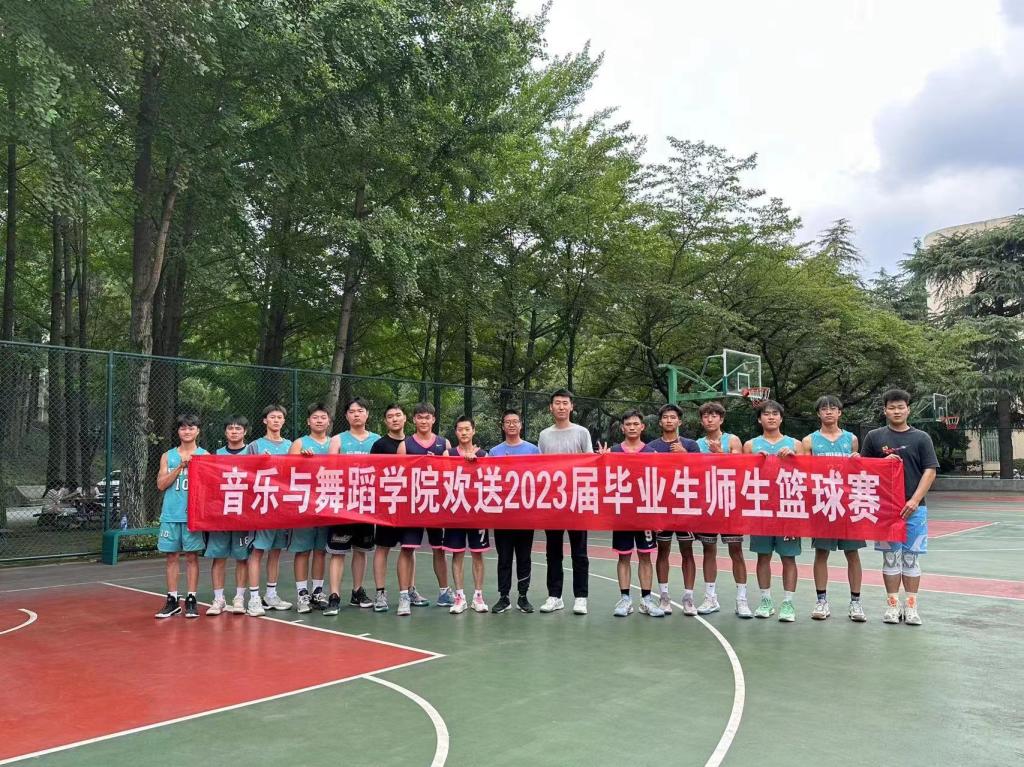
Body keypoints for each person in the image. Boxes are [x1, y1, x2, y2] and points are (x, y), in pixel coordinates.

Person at [861, 388, 939, 626]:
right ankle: (892, 605)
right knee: (891, 558)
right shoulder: (874, 437)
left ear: (908, 410)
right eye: (892, 407)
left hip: (915, 509)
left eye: (900, 407)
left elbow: (930, 471)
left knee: (911, 560)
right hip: (885, 510)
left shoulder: (922, 438)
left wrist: (914, 500)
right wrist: (881, 463)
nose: (896, 411)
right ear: (885, 411)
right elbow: (862, 468)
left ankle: (911, 606)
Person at [801, 395, 866, 622]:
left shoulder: (851, 439)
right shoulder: (809, 441)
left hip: (847, 503)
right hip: (823, 503)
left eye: (833, 408)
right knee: (821, 552)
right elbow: (804, 471)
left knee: (852, 553)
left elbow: (858, 471)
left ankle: (855, 603)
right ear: (818, 413)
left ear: (840, 412)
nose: (828, 412)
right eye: (824, 409)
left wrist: (858, 461)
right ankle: (821, 601)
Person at [743, 400, 804, 622]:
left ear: (781, 418)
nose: (771, 417)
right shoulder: (750, 445)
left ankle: (788, 603)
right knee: (763, 556)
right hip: (761, 508)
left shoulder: (795, 444)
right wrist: (753, 462)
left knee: (788, 557)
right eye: (766, 414)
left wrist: (795, 459)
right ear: (759, 419)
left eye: (775, 414)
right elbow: (742, 475)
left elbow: (808, 473)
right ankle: (765, 600)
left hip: (788, 507)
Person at [599, 410, 664, 618]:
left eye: (636, 424)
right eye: (628, 424)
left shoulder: (652, 453)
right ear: (622, 428)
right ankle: (625, 599)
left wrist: (658, 516)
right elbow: (602, 480)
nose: (632, 427)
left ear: (642, 427)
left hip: (645, 513)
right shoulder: (613, 452)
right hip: (622, 512)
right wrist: (602, 460)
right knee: (624, 556)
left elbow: (658, 485)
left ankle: (646, 600)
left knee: (645, 556)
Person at [367, 403, 429, 613]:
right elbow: (372, 473)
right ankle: (380, 593)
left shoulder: (413, 443)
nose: (394, 419)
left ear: (405, 419)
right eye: (390, 416)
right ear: (385, 421)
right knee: (382, 547)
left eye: (398, 415)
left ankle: (410, 589)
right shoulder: (379, 445)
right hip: (388, 506)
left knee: (409, 548)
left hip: (410, 505)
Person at [538, 389, 593, 615]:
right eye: (557, 403)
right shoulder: (544, 435)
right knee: (553, 551)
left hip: (577, 500)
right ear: (550, 407)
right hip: (552, 502)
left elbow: (591, 463)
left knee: (579, 552)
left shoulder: (582, 432)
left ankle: (581, 597)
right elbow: (539, 468)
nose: (561, 407)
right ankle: (554, 596)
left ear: (572, 406)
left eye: (565, 403)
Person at [322, 397, 379, 615]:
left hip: (365, 503)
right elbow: (330, 469)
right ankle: (334, 595)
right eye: (352, 411)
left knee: (360, 551)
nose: (356, 414)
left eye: (360, 411)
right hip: (342, 503)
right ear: (346, 416)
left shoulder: (376, 440)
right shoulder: (337, 440)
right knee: (338, 552)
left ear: (367, 414)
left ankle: (357, 591)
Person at [694, 401, 751, 618]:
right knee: (709, 550)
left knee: (736, 551)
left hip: (729, 502)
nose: (709, 419)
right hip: (707, 502)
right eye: (705, 416)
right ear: (701, 420)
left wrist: (720, 453)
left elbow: (740, 466)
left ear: (721, 419)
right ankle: (710, 597)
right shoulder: (697, 444)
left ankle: (742, 600)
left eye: (714, 415)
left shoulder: (732, 440)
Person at [395, 402, 452, 616]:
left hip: (436, 504)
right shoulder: (406, 444)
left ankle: (444, 592)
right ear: (414, 420)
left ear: (433, 419)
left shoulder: (443, 443)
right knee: (407, 548)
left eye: (427, 417)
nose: (424, 421)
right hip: (413, 505)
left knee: (439, 548)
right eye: (420, 417)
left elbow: (450, 473)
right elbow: (399, 475)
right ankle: (404, 596)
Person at [645, 404, 701, 616]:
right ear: (660, 422)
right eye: (665, 417)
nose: (669, 420)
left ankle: (688, 597)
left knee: (687, 551)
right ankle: (664, 596)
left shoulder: (691, 445)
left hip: (685, 505)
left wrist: (685, 454)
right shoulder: (651, 446)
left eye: (673, 417)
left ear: (680, 421)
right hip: (661, 506)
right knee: (663, 551)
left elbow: (700, 471)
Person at [154, 414, 208, 619]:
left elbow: (208, 487)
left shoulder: (204, 455)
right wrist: (180, 467)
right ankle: (172, 600)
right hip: (170, 514)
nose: (187, 431)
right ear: (178, 431)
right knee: (171, 557)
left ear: (197, 431)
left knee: (192, 557)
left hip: (192, 516)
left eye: (191, 427)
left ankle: (191, 599)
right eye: (183, 428)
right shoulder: (168, 456)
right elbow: (161, 484)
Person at [489, 409, 540, 614]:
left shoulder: (533, 450)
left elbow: (539, 478)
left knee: (524, 557)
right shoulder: (495, 452)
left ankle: (523, 596)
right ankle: (504, 597)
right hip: (502, 516)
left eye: (515, 421)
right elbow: (489, 479)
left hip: (525, 514)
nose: (511, 425)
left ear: (521, 425)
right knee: (504, 557)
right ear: (503, 426)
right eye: (507, 422)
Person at [244, 405, 293, 617]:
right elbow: (245, 474)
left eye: (279, 417)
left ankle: (270, 595)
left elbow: (296, 472)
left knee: (276, 552)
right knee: (257, 551)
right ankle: (254, 598)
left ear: (284, 421)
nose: (276, 420)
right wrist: (258, 463)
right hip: (262, 507)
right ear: (265, 420)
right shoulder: (254, 446)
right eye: (272, 417)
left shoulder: (291, 445)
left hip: (282, 507)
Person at [203, 415, 252, 615]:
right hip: (221, 515)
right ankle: (218, 599)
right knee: (219, 557)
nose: (234, 431)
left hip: (244, 514)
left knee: (242, 558)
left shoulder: (252, 453)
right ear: (225, 432)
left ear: (245, 432)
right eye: (230, 428)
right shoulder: (216, 455)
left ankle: (239, 598)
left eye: (238, 428)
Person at [288, 402, 333, 614]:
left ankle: (317, 591)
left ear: (328, 421)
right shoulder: (299, 443)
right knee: (303, 550)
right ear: (308, 421)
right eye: (315, 417)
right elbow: (287, 470)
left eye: (323, 417)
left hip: (326, 502)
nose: (319, 421)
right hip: (304, 503)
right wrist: (300, 460)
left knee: (320, 551)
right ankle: (302, 594)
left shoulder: (334, 443)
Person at [442, 415, 490, 614]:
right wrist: (463, 462)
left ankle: (478, 596)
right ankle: (459, 596)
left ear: (473, 431)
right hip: (456, 510)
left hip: (477, 511)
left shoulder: (483, 454)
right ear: (456, 432)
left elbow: (488, 480)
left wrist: (475, 463)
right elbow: (444, 477)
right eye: (460, 429)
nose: (463, 432)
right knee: (457, 553)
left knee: (477, 553)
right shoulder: (448, 453)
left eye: (467, 429)